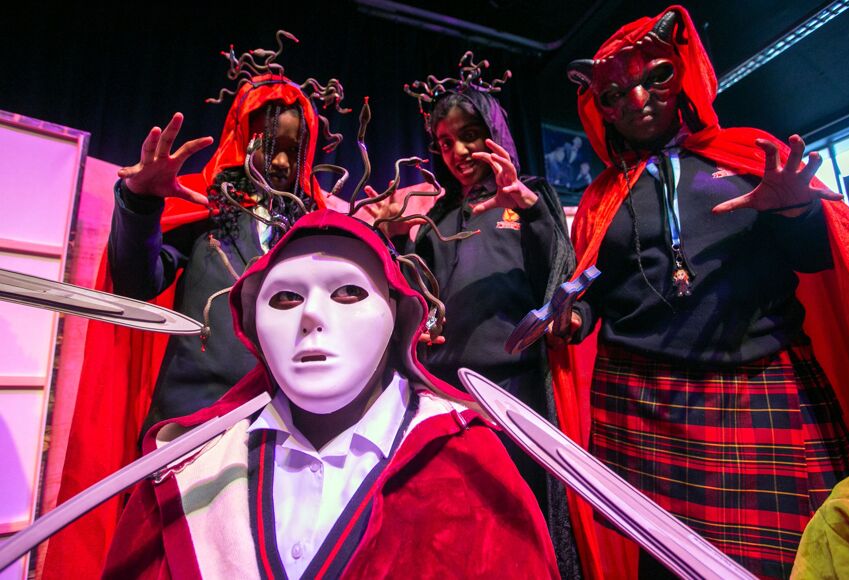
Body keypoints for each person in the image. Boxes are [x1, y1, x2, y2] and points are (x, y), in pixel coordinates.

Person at [555, 6, 849, 579]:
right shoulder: (602, 196)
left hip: (760, 383)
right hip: (644, 398)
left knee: (792, 560)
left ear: (683, 75)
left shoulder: (750, 153)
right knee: (664, 562)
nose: (636, 100)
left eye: (654, 77)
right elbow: (596, 285)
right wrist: (576, 316)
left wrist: (794, 211)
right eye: (615, 94)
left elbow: (814, 259)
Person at [101, 209, 560, 579]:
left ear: (398, 317)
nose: (311, 315)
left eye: (347, 292)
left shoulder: (470, 462)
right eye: (285, 298)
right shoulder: (190, 471)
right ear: (253, 323)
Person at [44, 44, 340, 577]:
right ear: (241, 137)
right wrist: (140, 202)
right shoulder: (205, 208)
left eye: (291, 151)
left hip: (283, 435)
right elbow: (136, 284)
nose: (279, 162)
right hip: (190, 430)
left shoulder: (316, 230)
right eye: (267, 144)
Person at [372, 58, 583, 578]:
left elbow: (559, 277)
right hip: (447, 395)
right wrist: (388, 238)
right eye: (446, 142)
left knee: (522, 521)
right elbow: (418, 295)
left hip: (515, 391)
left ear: (494, 132)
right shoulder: (438, 217)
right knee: (460, 528)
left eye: (469, 135)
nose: (459, 152)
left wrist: (529, 209)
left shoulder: (532, 195)